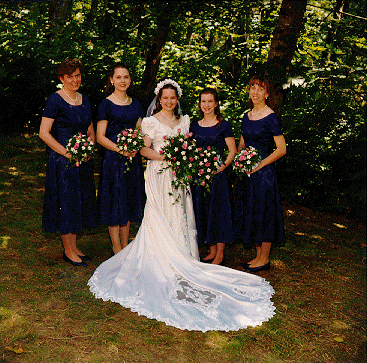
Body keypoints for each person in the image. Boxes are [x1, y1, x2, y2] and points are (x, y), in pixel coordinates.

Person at [88, 79, 275, 332]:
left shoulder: (184, 121)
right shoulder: (150, 122)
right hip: (158, 174)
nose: (168, 101)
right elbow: (144, 150)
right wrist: (166, 156)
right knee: (158, 216)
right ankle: (160, 261)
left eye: (172, 98)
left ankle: (182, 258)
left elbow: (192, 146)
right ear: (159, 99)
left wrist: (184, 160)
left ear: (177, 99)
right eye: (165, 98)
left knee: (180, 214)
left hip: (180, 176)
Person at [39, 58, 98, 267]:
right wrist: (67, 153)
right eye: (70, 76)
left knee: (79, 202)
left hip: (82, 160)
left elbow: (90, 130)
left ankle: (74, 247)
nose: (75, 80)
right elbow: (44, 133)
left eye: (78, 75)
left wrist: (88, 147)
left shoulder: (85, 99)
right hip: (63, 162)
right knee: (67, 203)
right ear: (62, 78)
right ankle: (67, 250)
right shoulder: (55, 100)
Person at [234, 75, 286, 272]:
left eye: (260, 88)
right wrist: (239, 160)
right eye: (252, 87)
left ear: (267, 93)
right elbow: (242, 144)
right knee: (252, 211)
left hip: (264, 175)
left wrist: (260, 165)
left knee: (265, 213)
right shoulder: (246, 116)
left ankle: (264, 258)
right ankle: (257, 256)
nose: (255, 92)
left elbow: (281, 149)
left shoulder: (271, 117)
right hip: (248, 174)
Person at [96, 64, 145, 255]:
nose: (122, 81)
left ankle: (126, 244)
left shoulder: (136, 104)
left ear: (130, 80)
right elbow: (100, 136)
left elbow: (140, 131)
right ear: (111, 80)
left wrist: (134, 147)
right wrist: (120, 150)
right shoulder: (105, 104)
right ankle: (116, 246)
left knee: (128, 200)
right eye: (118, 77)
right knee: (114, 200)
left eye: (126, 77)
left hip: (132, 160)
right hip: (113, 160)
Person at [190, 88, 236, 265]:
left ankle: (220, 254)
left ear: (216, 103)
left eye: (210, 101)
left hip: (217, 178)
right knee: (204, 211)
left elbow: (232, 151)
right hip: (200, 176)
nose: (206, 105)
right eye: (203, 101)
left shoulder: (223, 125)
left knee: (219, 213)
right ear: (200, 104)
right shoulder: (194, 125)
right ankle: (211, 250)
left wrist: (221, 167)